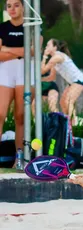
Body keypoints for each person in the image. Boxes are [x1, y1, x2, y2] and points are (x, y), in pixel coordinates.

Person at [0, 0, 43, 153]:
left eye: (16, 5)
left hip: (26, 71)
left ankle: (20, 158)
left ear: (24, 7)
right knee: (0, 113)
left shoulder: (33, 27)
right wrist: (23, 50)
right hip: (5, 71)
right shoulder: (3, 27)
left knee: (20, 116)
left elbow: (34, 51)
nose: (12, 9)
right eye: (9, 6)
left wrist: (7, 49)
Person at [41, 39, 83, 122]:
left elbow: (43, 71)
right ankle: (68, 123)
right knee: (62, 102)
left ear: (55, 47)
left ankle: (73, 126)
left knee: (69, 101)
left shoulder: (57, 57)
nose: (46, 47)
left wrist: (44, 56)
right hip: (72, 82)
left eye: (48, 45)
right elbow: (51, 77)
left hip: (79, 80)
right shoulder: (54, 59)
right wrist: (39, 80)